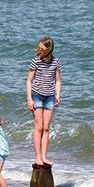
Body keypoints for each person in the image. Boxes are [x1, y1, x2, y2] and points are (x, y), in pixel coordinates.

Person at [26, 36, 61, 166]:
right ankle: (37, 157)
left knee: (46, 128)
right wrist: (29, 99)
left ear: (48, 49)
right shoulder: (35, 61)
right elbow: (29, 81)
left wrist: (58, 95)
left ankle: (44, 156)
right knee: (39, 127)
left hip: (50, 97)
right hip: (36, 96)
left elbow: (57, 80)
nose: (39, 50)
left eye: (41, 48)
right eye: (39, 47)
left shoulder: (56, 62)